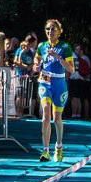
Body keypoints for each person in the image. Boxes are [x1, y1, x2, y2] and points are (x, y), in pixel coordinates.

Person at [34, 19, 74, 162]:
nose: (50, 32)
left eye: (53, 29)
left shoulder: (65, 47)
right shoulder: (41, 46)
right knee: (45, 113)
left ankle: (59, 146)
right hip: (45, 83)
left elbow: (71, 69)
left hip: (59, 83)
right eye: (48, 29)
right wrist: (36, 67)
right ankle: (45, 150)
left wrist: (58, 58)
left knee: (57, 117)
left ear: (59, 31)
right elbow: (36, 63)